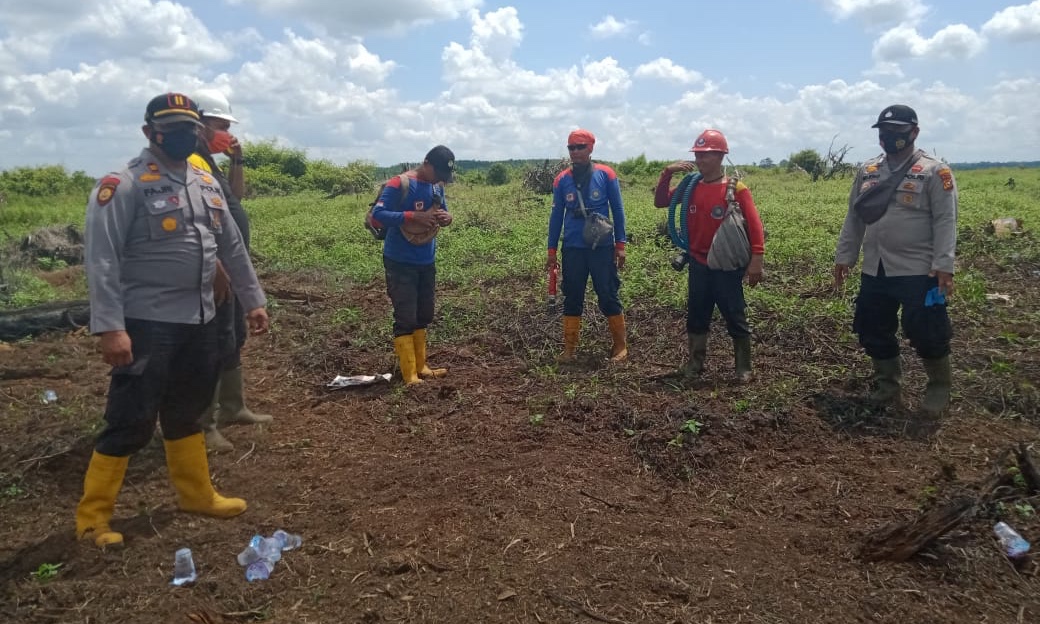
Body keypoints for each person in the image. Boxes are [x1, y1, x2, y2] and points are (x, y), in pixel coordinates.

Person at [77, 93, 270, 548]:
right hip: (146, 322)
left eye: (191, 126)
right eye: (172, 126)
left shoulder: (204, 180)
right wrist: (110, 326)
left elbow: (231, 247)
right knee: (131, 418)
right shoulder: (122, 185)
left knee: (188, 410)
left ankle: (196, 494)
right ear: (149, 132)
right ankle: (93, 518)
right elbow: (101, 260)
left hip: (200, 316)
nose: (185, 134)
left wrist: (252, 299)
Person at [833, 104, 957, 415]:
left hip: (919, 269)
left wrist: (944, 265)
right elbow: (855, 216)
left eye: (897, 133)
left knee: (927, 329)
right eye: (885, 133)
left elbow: (945, 220)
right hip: (876, 266)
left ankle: (938, 388)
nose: (890, 138)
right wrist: (845, 256)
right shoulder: (869, 171)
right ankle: (888, 385)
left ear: (914, 133)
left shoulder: (934, 172)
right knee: (872, 326)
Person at [188, 88, 273, 453]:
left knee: (231, 335)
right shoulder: (191, 160)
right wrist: (218, 265)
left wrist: (236, 158)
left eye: (226, 126)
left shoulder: (210, 161)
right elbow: (197, 220)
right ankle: (204, 424)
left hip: (231, 270)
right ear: (200, 125)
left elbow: (234, 199)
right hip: (213, 271)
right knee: (210, 344)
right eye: (219, 125)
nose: (225, 131)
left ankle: (233, 407)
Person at [653, 129, 765, 382]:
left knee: (734, 313)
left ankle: (743, 367)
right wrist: (667, 173)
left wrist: (756, 259)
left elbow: (755, 225)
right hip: (698, 263)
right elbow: (661, 202)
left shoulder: (737, 189)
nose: (700, 160)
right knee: (697, 314)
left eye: (707, 155)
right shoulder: (691, 186)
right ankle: (695, 364)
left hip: (726, 265)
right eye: (698, 155)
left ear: (720, 156)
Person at [371, 146, 455, 385]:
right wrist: (411, 216)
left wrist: (447, 219)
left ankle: (421, 366)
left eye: (443, 175)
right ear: (426, 163)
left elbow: (444, 212)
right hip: (400, 261)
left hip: (426, 260)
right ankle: (409, 374)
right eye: (437, 172)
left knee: (424, 313)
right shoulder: (400, 183)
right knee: (405, 315)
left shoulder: (437, 186)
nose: (439, 178)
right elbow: (379, 215)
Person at [546, 129, 628, 363]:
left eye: (580, 147)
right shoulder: (562, 180)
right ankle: (570, 350)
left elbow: (618, 210)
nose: (575, 152)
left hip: (601, 247)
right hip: (572, 247)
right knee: (572, 296)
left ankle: (620, 346)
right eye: (571, 147)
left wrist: (620, 244)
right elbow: (556, 216)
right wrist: (551, 250)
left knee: (608, 293)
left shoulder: (606, 174)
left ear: (591, 148)